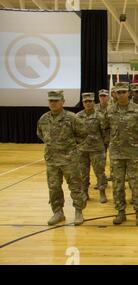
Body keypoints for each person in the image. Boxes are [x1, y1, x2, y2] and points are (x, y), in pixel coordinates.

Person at [103, 82, 138, 226]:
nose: (122, 95)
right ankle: (120, 212)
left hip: (134, 154)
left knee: (136, 184)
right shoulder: (110, 111)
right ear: (115, 94)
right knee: (118, 185)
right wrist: (110, 141)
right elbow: (104, 128)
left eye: (124, 92)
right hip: (117, 155)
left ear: (129, 93)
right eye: (119, 92)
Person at [37, 90, 87, 226]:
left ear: (63, 102)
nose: (52, 103)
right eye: (50, 101)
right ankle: (58, 212)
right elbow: (41, 135)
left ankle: (78, 211)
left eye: (56, 100)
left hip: (69, 160)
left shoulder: (71, 118)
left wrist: (70, 148)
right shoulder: (43, 119)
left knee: (75, 186)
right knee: (54, 188)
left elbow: (83, 134)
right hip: (52, 160)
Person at [77, 92, 108, 203]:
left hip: (97, 149)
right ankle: (84, 193)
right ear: (83, 103)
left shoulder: (100, 115)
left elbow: (105, 132)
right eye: (86, 101)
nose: (88, 103)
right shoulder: (78, 116)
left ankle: (102, 192)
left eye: (90, 101)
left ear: (94, 102)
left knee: (100, 172)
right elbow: (75, 133)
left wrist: (103, 145)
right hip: (82, 150)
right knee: (82, 173)